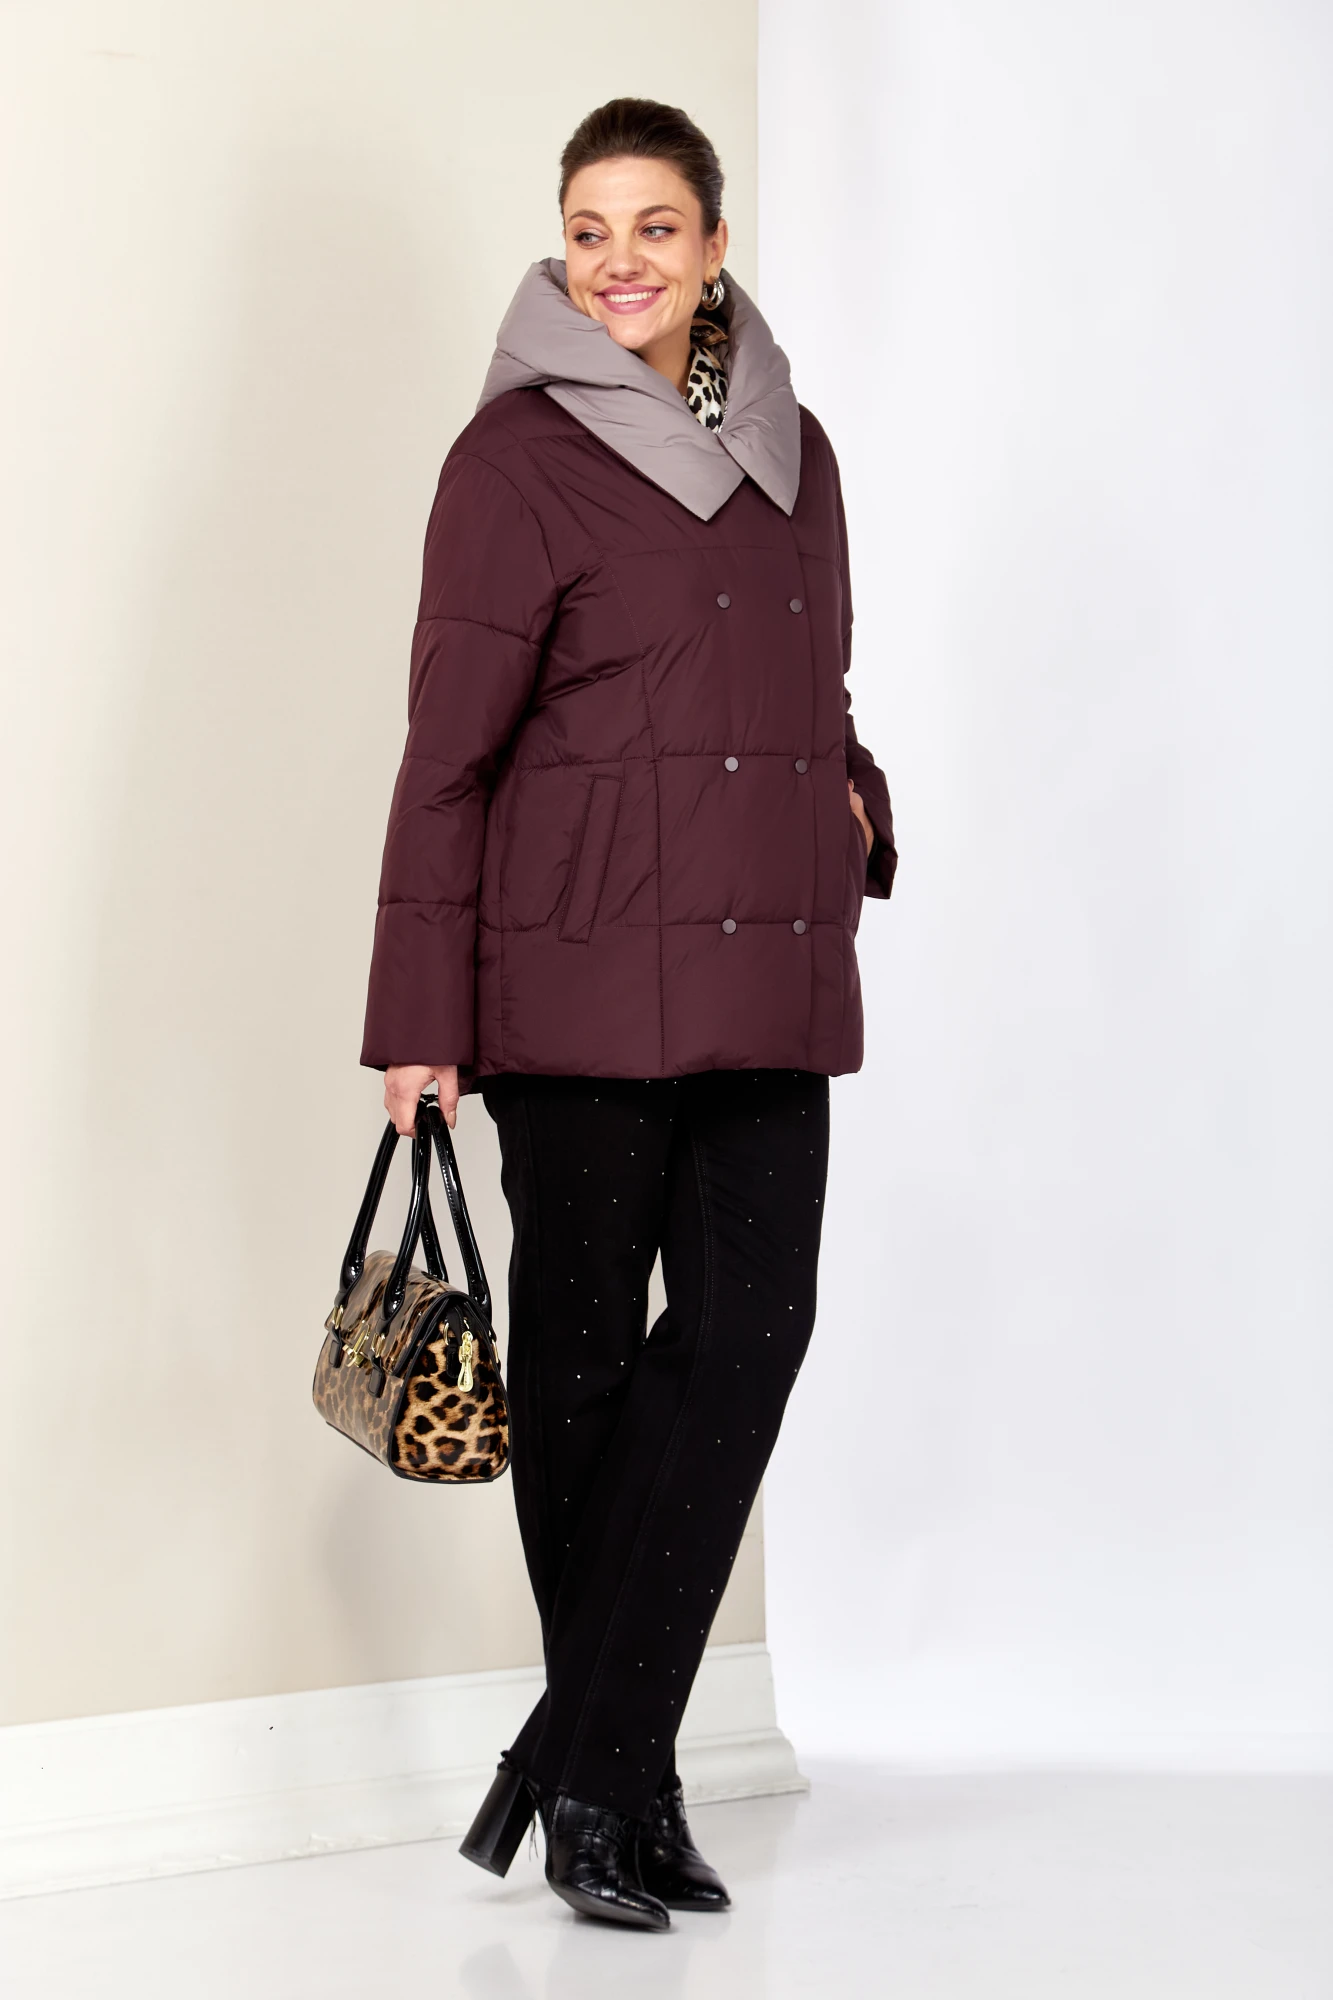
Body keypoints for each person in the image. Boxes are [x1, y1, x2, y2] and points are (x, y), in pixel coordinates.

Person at [361, 97, 896, 1931]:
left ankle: (578, 1756)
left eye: (655, 227)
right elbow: (446, 758)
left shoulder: (799, 447)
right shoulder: (511, 459)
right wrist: (418, 1015)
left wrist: (855, 802)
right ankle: (621, 1787)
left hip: (759, 963)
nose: (618, 262)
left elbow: (812, 691)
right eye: (589, 230)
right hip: (574, 973)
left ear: (715, 245)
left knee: (752, 1328)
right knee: (584, 1371)